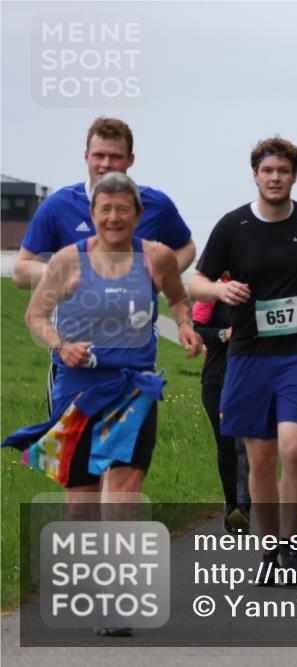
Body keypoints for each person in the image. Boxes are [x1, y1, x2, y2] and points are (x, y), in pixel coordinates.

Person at [3, 171, 201, 545]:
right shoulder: (68, 260)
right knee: (81, 504)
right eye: (105, 209)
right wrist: (61, 346)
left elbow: (176, 296)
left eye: (123, 209)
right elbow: (35, 316)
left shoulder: (155, 257)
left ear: (137, 215)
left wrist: (184, 324)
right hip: (78, 388)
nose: (113, 217)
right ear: (93, 214)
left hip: (134, 388)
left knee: (124, 497)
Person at [188, 137, 297, 583]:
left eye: (283, 171)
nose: (275, 178)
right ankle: (271, 548)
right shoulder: (232, 225)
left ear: (295, 176)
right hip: (250, 355)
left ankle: (292, 546)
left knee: (293, 449)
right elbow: (196, 281)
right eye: (268, 171)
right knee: (259, 462)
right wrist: (220, 289)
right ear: (255, 175)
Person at [12, 117, 196, 287]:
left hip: (137, 312)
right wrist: (65, 275)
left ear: (130, 160)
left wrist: (159, 276)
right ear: (86, 157)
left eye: (115, 157)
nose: (106, 164)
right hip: (76, 311)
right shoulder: (58, 206)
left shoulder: (157, 204)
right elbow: (21, 271)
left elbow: (186, 247)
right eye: (99, 155)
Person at [193, 277, 251, 534]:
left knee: (245, 444)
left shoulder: (258, 290)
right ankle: (231, 503)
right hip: (217, 380)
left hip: (250, 379)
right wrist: (223, 334)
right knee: (227, 444)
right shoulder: (213, 291)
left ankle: (244, 507)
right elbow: (196, 330)